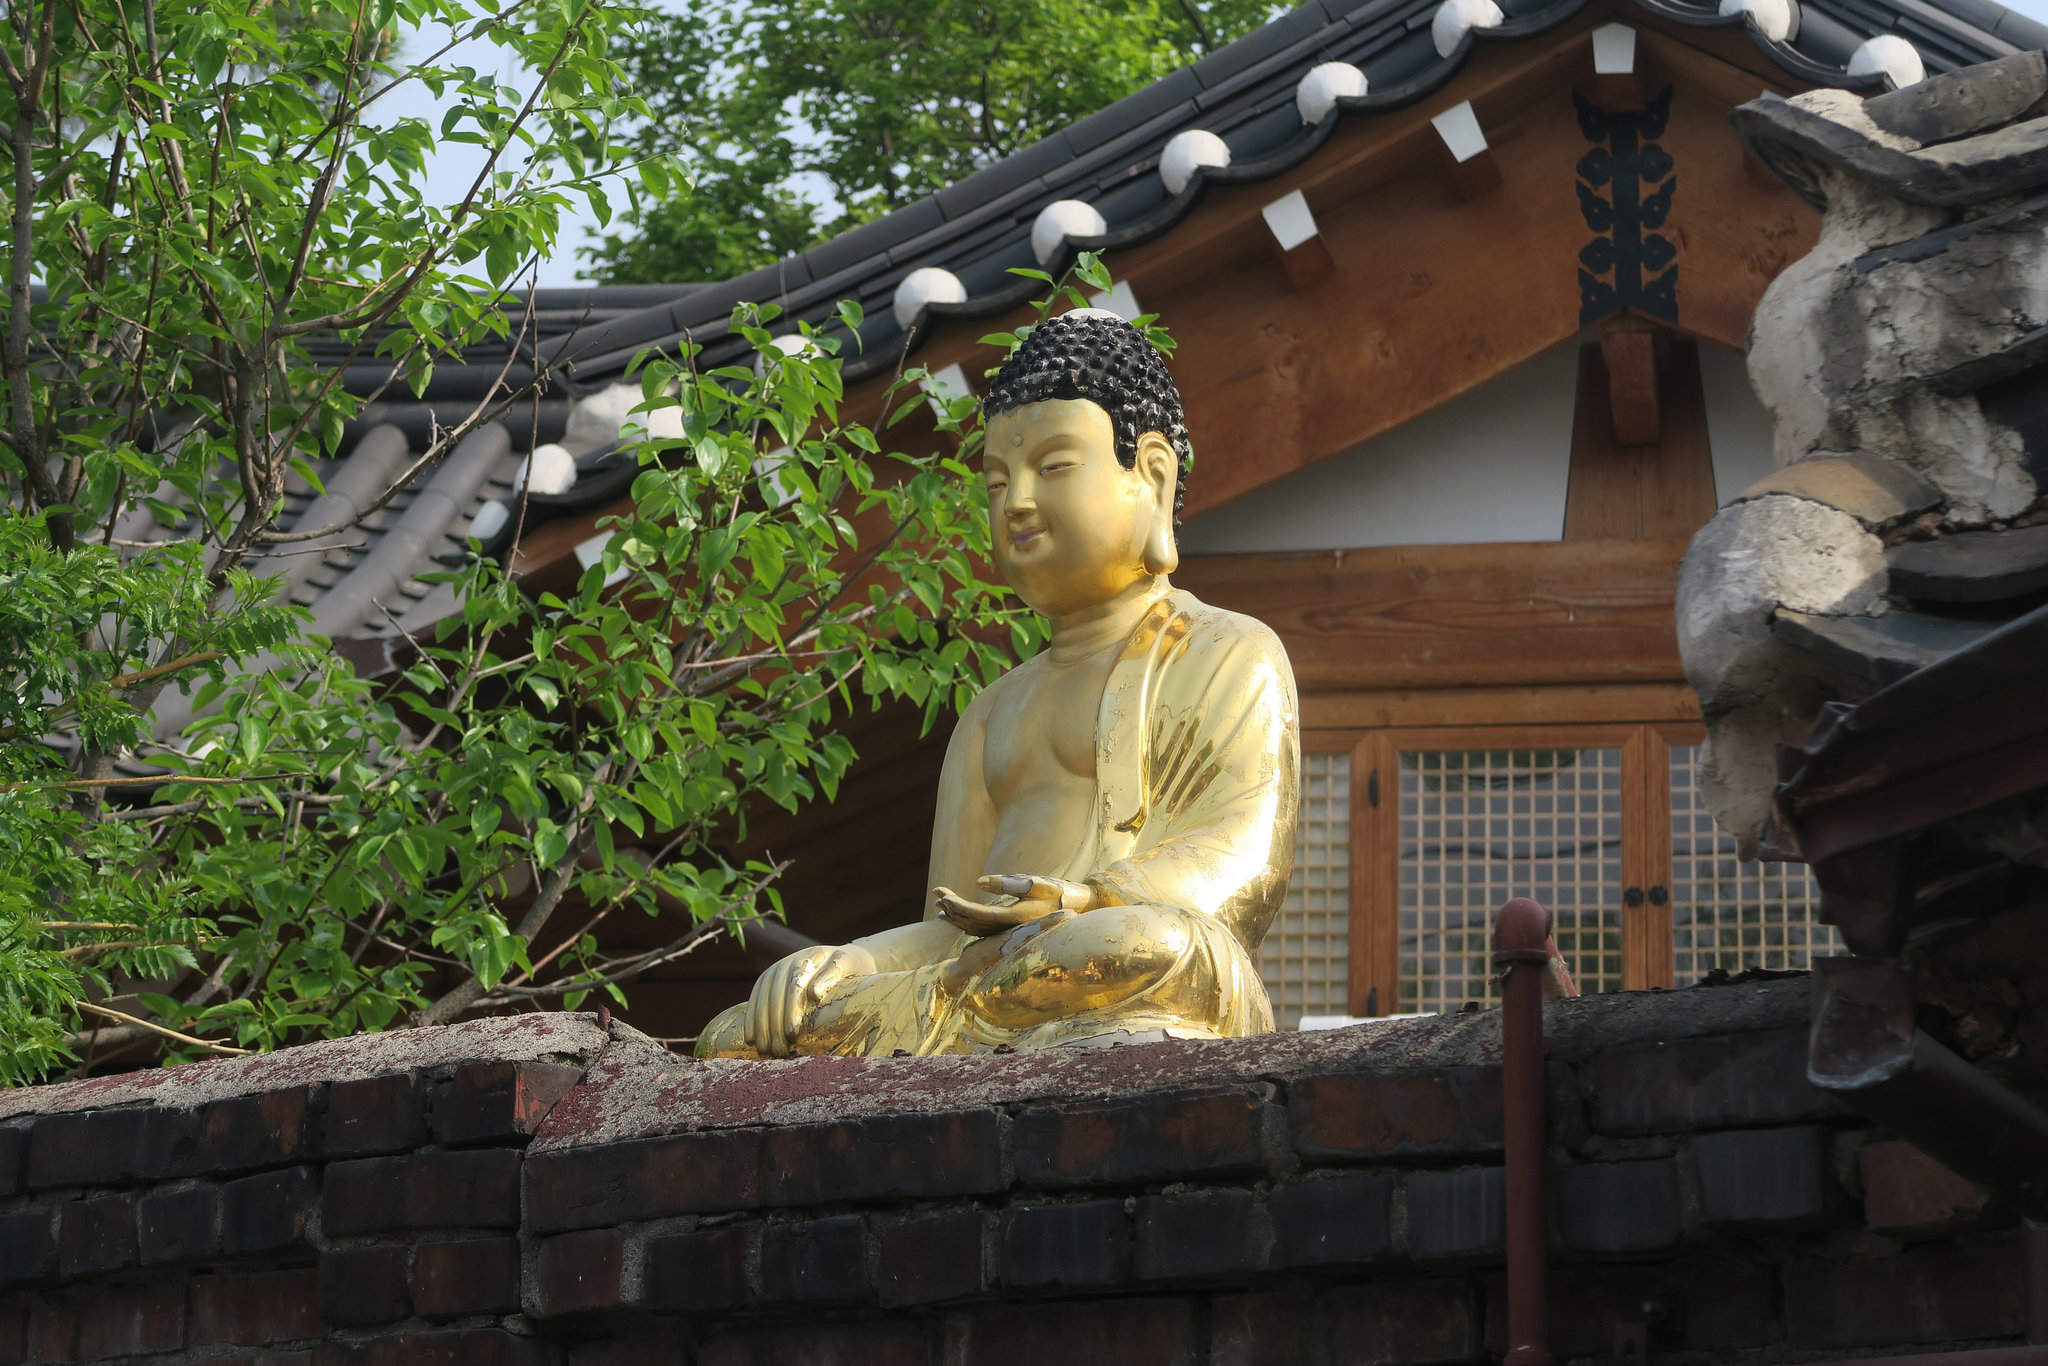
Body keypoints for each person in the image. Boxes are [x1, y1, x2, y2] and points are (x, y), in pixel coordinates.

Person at [696, 310, 1300, 1058]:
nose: (1015, 501)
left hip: (1118, 950)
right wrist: (855, 960)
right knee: (739, 1034)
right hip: (993, 976)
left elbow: (1243, 863)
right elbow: (957, 927)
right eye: (995, 480)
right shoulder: (991, 712)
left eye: (1052, 468)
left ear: (1152, 475)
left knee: (1155, 944)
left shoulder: (1226, 651)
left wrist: (1085, 901)